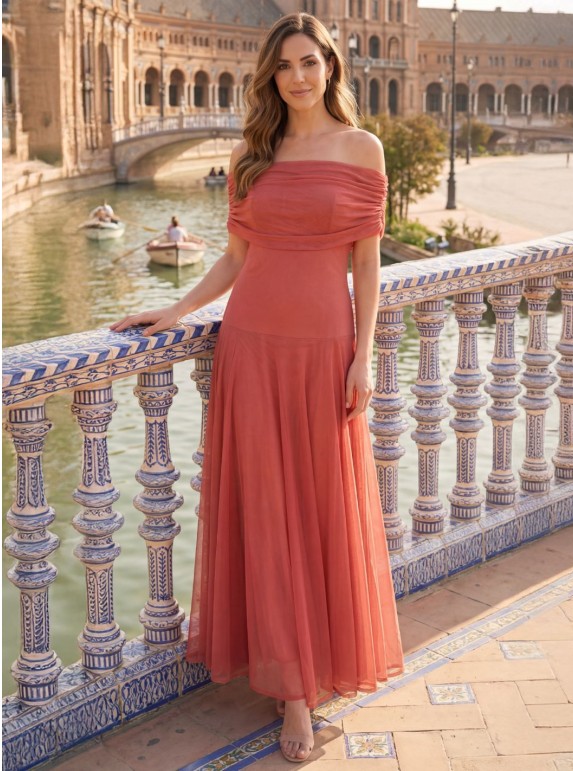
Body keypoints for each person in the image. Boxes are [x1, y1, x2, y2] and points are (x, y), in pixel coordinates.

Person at [111, 12, 403, 763]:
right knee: (270, 513)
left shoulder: (363, 149)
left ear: (332, 67)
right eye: (285, 67)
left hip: (324, 349)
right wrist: (176, 310)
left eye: (310, 62)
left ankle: (311, 659)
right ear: (271, 76)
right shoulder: (253, 152)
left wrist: (363, 356)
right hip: (252, 346)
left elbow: (366, 266)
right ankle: (295, 695)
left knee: (322, 509)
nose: (298, 77)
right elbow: (237, 257)